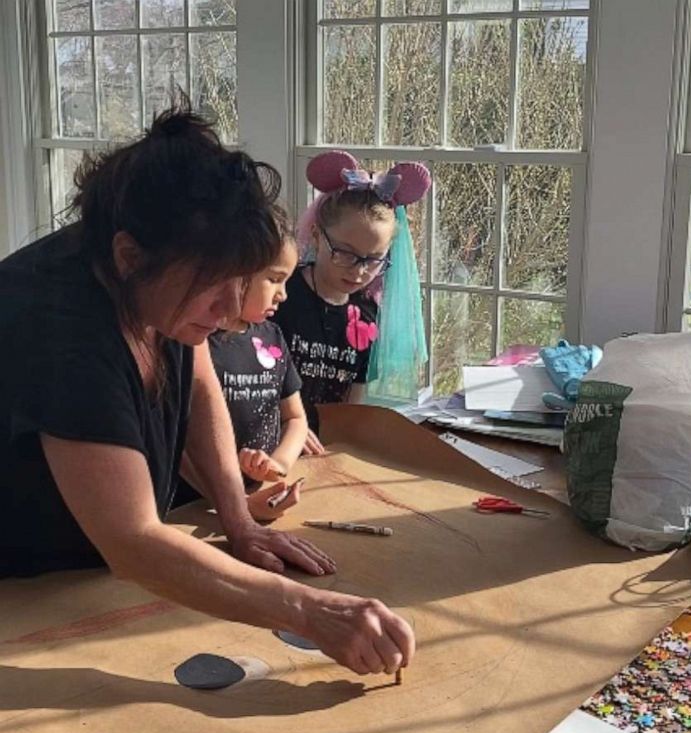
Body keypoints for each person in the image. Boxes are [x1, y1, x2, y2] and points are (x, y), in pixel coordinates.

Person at [0, 103, 414, 678]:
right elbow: (134, 541)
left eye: (238, 283)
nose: (227, 313)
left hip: (85, 573)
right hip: (21, 589)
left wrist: (237, 517)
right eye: (212, 290)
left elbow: (196, 376)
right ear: (128, 257)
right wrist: (313, 612)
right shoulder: (60, 326)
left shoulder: (159, 268)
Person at [274, 150, 430, 454]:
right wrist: (287, 426)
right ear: (318, 236)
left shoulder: (367, 314)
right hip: (273, 443)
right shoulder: (281, 296)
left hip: (326, 450)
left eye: (373, 260)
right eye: (345, 253)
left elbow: (354, 395)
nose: (359, 271)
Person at [180, 211, 308, 522]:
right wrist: (234, 503)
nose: (284, 294)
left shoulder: (273, 337)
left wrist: (279, 464)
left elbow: (295, 417)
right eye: (275, 279)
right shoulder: (195, 342)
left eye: (287, 281)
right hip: (196, 508)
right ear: (235, 274)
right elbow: (180, 444)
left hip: (259, 498)